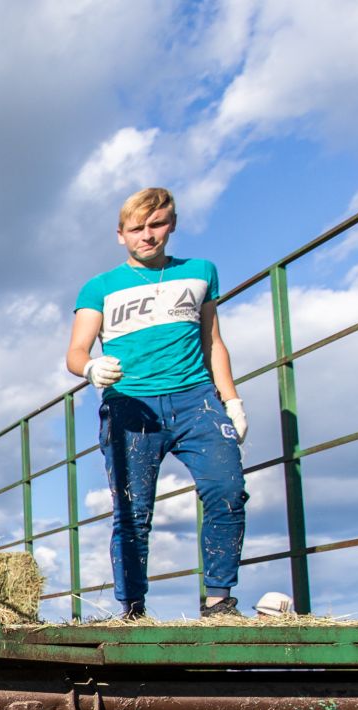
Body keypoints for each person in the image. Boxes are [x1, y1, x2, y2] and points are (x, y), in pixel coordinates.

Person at [67, 186, 249, 619]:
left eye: (157, 225)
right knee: (133, 509)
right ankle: (133, 609)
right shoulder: (100, 287)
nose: (147, 235)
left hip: (196, 399)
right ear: (120, 234)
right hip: (131, 404)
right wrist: (91, 368)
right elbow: (75, 352)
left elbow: (213, 341)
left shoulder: (201, 272)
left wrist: (232, 399)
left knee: (227, 490)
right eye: (137, 228)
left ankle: (219, 600)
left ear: (172, 224)